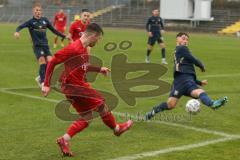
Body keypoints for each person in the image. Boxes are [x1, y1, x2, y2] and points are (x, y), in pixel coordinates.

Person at [42, 23, 133, 157]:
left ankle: (64, 140)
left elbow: (83, 66)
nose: (98, 41)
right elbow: (52, 61)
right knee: (101, 102)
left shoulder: (84, 49)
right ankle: (117, 129)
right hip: (74, 87)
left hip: (73, 87)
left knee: (87, 116)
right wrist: (46, 84)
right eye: (99, 38)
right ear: (93, 36)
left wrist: (98, 69)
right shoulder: (74, 48)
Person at [145, 32, 228, 120]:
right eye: (183, 38)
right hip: (183, 81)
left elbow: (185, 71)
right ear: (177, 39)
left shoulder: (179, 52)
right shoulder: (182, 48)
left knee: (171, 104)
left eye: (187, 40)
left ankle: (153, 111)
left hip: (182, 82)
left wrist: (199, 82)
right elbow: (193, 59)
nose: (185, 41)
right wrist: (201, 65)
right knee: (199, 93)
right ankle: (212, 104)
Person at [14, 3, 66, 88]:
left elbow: (54, 30)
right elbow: (20, 26)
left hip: (46, 45)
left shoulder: (45, 20)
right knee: (42, 61)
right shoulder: (30, 22)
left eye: (39, 10)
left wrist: (64, 36)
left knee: (51, 62)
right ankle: (43, 83)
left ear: (41, 11)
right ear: (33, 12)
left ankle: (39, 77)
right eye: (36, 10)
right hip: (37, 46)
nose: (38, 12)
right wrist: (17, 32)